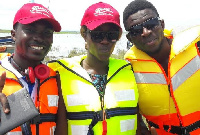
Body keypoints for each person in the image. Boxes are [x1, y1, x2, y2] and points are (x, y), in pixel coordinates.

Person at [48, 2, 141, 135]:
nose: (104, 41)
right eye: (97, 35)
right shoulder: (61, 75)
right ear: (84, 34)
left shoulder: (129, 71)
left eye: (111, 35)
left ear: (119, 35)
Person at [123, 0, 200, 135]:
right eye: (136, 30)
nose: (145, 32)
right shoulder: (128, 70)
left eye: (151, 24)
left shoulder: (196, 47)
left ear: (162, 24)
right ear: (130, 38)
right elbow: (133, 116)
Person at [0, 3, 67, 135]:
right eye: (30, 30)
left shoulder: (56, 78)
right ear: (13, 34)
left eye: (47, 33)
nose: (39, 38)